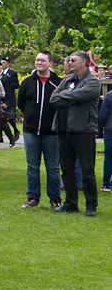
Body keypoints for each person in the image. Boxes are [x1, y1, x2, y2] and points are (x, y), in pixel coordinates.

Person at [50, 50, 101, 216]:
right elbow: (53, 99)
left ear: (84, 62)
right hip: (64, 131)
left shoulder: (93, 81)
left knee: (87, 170)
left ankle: (91, 206)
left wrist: (65, 96)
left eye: (73, 60)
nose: (69, 62)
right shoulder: (67, 80)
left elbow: (84, 94)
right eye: (69, 60)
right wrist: (71, 97)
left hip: (83, 131)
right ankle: (71, 203)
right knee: (67, 170)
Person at [16, 51, 62, 210]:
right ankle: (32, 198)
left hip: (52, 133)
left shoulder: (59, 83)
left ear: (51, 63)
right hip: (30, 132)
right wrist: (30, 117)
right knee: (32, 166)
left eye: (42, 60)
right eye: (37, 60)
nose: (39, 62)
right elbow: (21, 103)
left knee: (53, 167)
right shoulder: (27, 82)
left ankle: (55, 199)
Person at [0, 56, 20, 145]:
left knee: (9, 118)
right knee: (0, 117)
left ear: (8, 64)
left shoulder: (12, 73)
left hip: (9, 97)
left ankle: (16, 130)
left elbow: (17, 85)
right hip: (0, 98)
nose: (2, 64)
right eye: (1, 62)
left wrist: (7, 82)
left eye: (4, 63)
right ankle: (0, 136)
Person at [0, 61, 15, 146]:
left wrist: (6, 102)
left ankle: (11, 138)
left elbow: (8, 92)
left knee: (3, 123)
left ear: (1, 67)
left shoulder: (6, 77)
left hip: (2, 102)